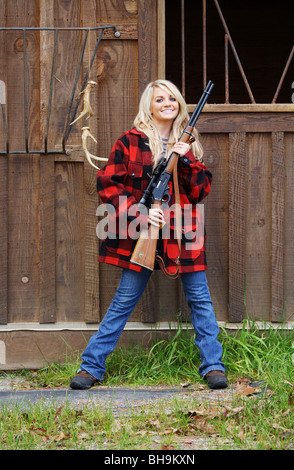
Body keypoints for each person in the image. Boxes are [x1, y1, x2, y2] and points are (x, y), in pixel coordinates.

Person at [70, 79, 228, 391]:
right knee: (124, 299)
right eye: (160, 99)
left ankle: (213, 366)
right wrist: (138, 212)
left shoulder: (189, 142)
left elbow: (200, 191)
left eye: (172, 98)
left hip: (183, 230)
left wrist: (185, 159)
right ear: (149, 106)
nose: (167, 103)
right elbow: (107, 184)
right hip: (143, 230)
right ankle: (91, 367)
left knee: (200, 299)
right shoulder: (131, 141)